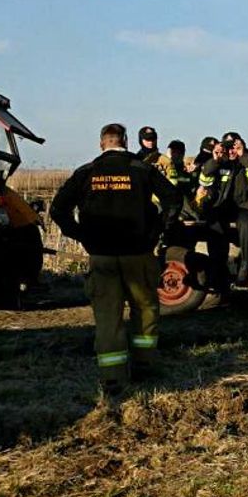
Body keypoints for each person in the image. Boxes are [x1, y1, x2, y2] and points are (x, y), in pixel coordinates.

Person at [50, 123, 181, 394]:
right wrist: (156, 230)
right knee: (145, 309)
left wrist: (81, 235)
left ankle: (112, 377)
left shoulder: (86, 172)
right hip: (139, 253)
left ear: (102, 144)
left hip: (102, 255)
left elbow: (58, 209)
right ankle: (145, 366)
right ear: (126, 141)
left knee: (108, 317)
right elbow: (173, 199)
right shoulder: (142, 169)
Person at [196, 131, 248, 289]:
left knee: (245, 222)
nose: (231, 151)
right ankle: (219, 267)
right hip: (226, 206)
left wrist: (243, 155)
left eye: (233, 147)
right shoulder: (220, 162)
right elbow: (204, 180)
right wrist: (215, 161)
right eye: (227, 148)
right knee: (214, 222)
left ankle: (244, 266)